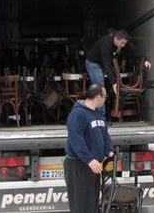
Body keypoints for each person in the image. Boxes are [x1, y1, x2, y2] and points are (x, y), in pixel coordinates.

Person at [63, 84, 114, 212]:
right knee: (80, 203)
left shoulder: (98, 115)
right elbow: (76, 139)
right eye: (105, 97)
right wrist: (89, 159)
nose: (105, 100)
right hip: (79, 165)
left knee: (92, 202)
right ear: (98, 96)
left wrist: (109, 150)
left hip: (94, 166)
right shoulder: (77, 114)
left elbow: (105, 135)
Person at [85, 29, 152, 117]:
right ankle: (100, 116)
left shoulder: (123, 42)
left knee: (101, 87)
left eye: (125, 43)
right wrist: (113, 83)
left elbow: (133, 50)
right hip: (93, 63)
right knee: (100, 87)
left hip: (103, 63)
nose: (123, 46)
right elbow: (107, 65)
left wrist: (144, 60)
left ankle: (99, 113)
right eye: (122, 43)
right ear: (116, 39)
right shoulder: (105, 45)